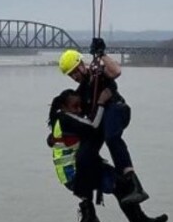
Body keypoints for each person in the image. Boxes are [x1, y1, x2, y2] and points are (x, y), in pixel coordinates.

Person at [47, 88, 167, 222]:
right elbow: (93, 127)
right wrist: (101, 103)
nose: (79, 110)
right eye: (75, 106)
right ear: (63, 106)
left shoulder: (59, 120)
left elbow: (59, 139)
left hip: (75, 173)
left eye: (80, 106)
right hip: (77, 174)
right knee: (122, 185)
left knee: (121, 187)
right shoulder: (65, 119)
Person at [58, 38, 148, 206]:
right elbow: (80, 115)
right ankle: (96, 200)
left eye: (74, 72)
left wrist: (101, 54)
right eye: (70, 75)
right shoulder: (82, 91)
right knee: (89, 151)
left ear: (81, 64)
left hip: (117, 109)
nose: (74, 77)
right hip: (106, 119)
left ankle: (136, 185)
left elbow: (116, 72)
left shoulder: (97, 72)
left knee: (112, 138)